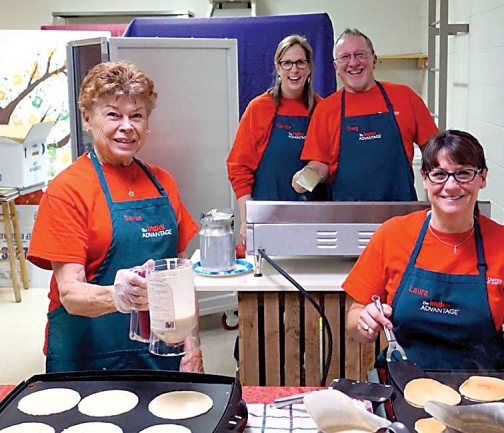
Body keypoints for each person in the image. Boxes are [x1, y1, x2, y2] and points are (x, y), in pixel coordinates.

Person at [27, 61, 202, 373]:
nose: (127, 126)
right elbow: (71, 294)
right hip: (89, 357)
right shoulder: (68, 190)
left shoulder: (163, 184)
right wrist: (118, 296)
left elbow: (181, 277)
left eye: (136, 115)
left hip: (160, 355)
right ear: (87, 119)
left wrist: (192, 344)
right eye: (112, 114)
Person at [343, 130, 504, 370]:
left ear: (482, 177)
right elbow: (354, 322)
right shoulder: (392, 235)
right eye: (439, 174)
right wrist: (365, 323)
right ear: (424, 179)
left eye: (463, 173)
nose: (451, 186)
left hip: (484, 394)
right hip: (402, 390)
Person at [292, 28, 438, 201]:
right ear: (336, 67)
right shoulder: (325, 110)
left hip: (400, 214)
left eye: (360, 54)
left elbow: (435, 151)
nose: (353, 63)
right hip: (346, 216)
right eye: (345, 57)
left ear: (374, 60)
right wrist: (307, 178)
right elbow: (320, 163)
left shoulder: (405, 97)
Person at [227, 34, 323, 244]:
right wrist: (247, 220)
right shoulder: (259, 108)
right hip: (266, 222)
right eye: (287, 63)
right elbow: (238, 168)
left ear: (309, 68)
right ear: (278, 68)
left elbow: (331, 164)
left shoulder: (323, 110)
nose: (294, 69)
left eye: (300, 62)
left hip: (314, 222)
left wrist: (310, 176)